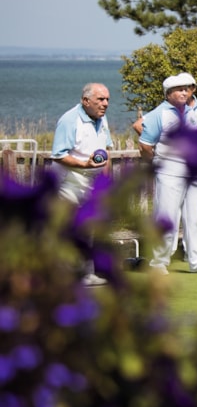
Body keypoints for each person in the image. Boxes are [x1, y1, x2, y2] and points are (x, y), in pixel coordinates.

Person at [138, 72, 197, 274]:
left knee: (194, 219)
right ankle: (159, 262)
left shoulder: (195, 110)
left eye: (186, 88)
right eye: (179, 89)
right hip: (169, 172)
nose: (184, 92)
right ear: (168, 94)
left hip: (194, 173)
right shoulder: (159, 114)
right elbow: (145, 145)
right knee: (167, 217)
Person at [51, 82, 114, 286]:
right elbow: (59, 155)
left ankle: (86, 274)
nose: (105, 104)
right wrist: (84, 165)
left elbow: (106, 151)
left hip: (90, 184)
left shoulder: (102, 119)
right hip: (68, 183)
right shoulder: (69, 120)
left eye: (107, 100)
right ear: (86, 101)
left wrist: (105, 181)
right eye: (100, 100)